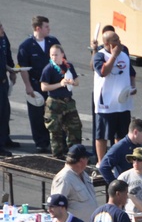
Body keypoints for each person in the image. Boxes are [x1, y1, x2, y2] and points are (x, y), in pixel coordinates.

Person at [16, 15, 60, 153]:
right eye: (46, 26)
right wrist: (28, 86)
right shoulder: (26, 46)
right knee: (36, 114)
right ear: (38, 28)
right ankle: (41, 142)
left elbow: (61, 60)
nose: (49, 29)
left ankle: (56, 141)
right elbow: (23, 69)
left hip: (53, 84)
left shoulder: (53, 42)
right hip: (35, 84)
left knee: (55, 113)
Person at [91, 30, 135, 162]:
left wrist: (132, 87)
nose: (119, 42)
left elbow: (131, 72)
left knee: (121, 134)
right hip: (106, 104)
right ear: (106, 43)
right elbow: (103, 72)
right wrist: (114, 56)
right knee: (102, 135)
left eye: (118, 39)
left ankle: (118, 160)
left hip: (122, 102)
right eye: (115, 40)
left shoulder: (125, 54)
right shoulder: (100, 56)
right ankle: (101, 161)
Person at [38, 44, 82, 160]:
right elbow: (44, 87)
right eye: (52, 55)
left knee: (74, 128)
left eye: (56, 54)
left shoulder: (68, 66)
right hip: (54, 103)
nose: (54, 57)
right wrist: (60, 84)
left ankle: (74, 154)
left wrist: (72, 82)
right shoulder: (49, 68)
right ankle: (58, 155)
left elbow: (77, 81)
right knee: (55, 130)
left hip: (68, 102)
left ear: (62, 55)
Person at [52, 144, 100, 222]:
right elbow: (57, 208)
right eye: (87, 158)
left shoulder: (84, 175)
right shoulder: (64, 178)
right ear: (81, 161)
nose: (88, 161)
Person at [99, 118, 142, 184]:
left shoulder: (138, 144)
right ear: (135, 132)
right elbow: (103, 167)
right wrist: (116, 185)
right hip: (125, 186)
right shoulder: (120, 147)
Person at [0, 20, 17, 154]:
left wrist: (12, 71)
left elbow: (7, 55)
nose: (2, 29)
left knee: (5, 112)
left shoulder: (3, 38)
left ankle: (5, 139)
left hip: (3, 81)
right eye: (0, 27)